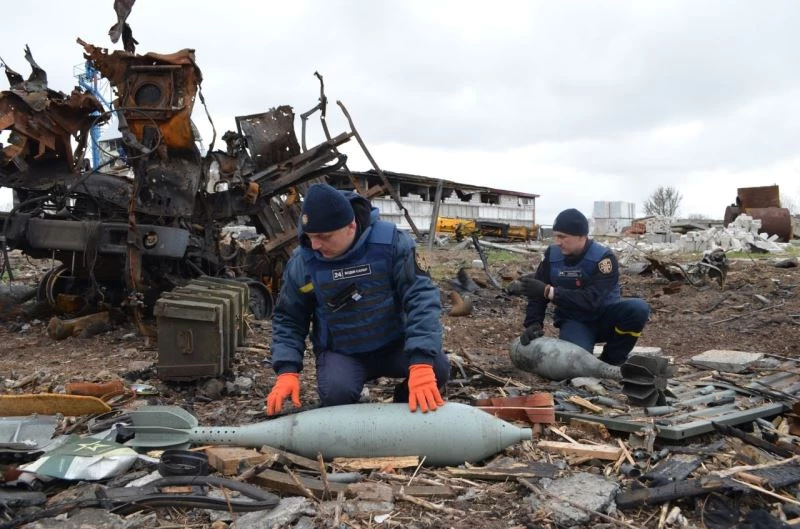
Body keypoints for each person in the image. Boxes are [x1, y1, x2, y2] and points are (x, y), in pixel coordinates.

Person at [266, 183, 449, 415]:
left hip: (394, 344)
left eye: (324, 237)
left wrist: (421, 361)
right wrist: (287, 370)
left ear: (350, 226)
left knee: (438, 369)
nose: (314, 245)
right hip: (344, 351)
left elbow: (421, 298)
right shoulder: (304, 262)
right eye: (310, 237)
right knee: (336, 394)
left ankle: (405, 404)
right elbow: (289, 318)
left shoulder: (391, 244)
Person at [509, 208, 650, 365]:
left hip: (606, 318)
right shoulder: (552, 256)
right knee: (574, 363)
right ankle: (587, 355)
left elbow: (592, 300)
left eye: (563, 237)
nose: (557, 242)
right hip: (575, 321)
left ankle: (613, 359)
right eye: (555, 236)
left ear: (582, 236)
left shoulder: (603, 259)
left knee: (638, 308)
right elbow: (537, 294)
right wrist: (533, 323)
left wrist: (550, 292)